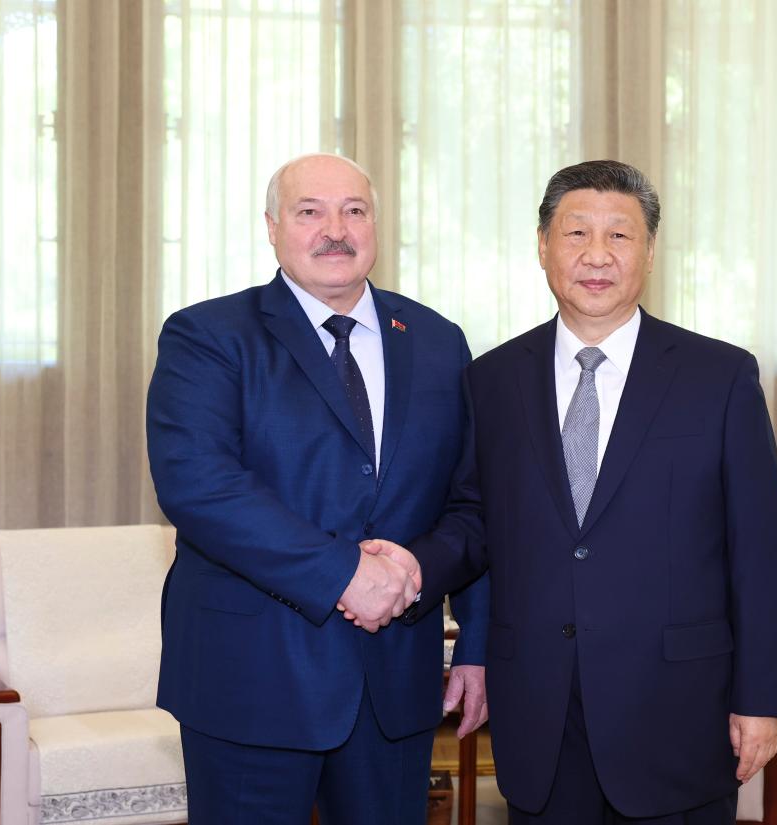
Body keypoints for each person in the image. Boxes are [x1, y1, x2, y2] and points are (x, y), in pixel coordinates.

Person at [382, 159, 777, 824]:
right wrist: (411, 569)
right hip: (540, 707)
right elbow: (477, 521)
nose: (596, 255)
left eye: (620, 236)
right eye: (575, 234)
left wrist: (760, 697)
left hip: (675, 706)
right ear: (543, 245)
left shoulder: (717, 377)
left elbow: (759, 554)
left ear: (650, 251)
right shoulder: (490, 381)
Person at [146, 153, 488, 825]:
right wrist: (345, 574)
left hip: (394, 681)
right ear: (272, 228)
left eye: (354, 210)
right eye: (310, 211)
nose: (335, 229)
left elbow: (474, 505)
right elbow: (199, 485)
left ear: (376, 227)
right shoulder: (207, 335)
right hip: (249, 679)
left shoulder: (438, 341)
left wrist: (467, 635)